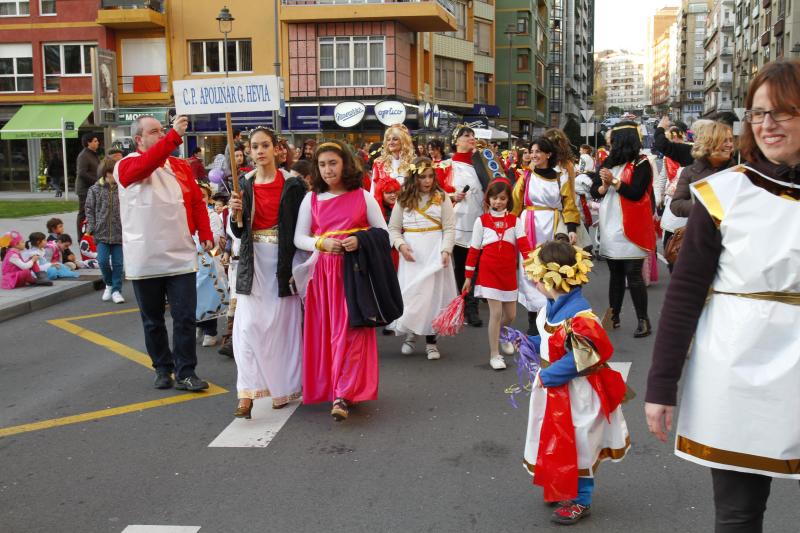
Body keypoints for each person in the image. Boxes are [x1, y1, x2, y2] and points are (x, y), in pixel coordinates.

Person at [645, 59, 800, 533]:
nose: (767, 124)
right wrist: (661, 386)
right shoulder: (724, 193)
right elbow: (686, 293)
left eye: (783, 111)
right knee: (737, 516)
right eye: (757, 113)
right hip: (736, 367)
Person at [522, 237, 629, 525]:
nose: (534, 283)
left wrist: (548, 374)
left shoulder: (580, 317)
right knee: (553, 437)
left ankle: (581, 500)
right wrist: (529, 343)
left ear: (556, 279)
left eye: (538, 278)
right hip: (555, 389)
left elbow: (584, 357)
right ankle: (560, 485)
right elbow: (548, 338)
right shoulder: (551, 306)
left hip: (576, 392)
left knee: (579, 443)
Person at [293, 140, 389, 421]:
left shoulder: (362, 196)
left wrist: (359, 239)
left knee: (351, 332)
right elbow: (299, 237)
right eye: (322, 165)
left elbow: (383, 234)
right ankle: (337, 388)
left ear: (345, 164)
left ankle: (343, 394)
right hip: (323, 276)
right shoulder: (311, 199)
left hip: (355, 274)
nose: (327, 170)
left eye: (332, 163)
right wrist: (321, 243)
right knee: (329, 334)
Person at [116, 114, 212, 392]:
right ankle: (162, 367)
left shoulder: (180, 167)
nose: (161, 135)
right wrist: (173, 135)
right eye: (154, 132)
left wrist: (204, 233)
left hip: (180, 254)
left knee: (184, 317)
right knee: (153, 320)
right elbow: (147, 164)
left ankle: (186, 372)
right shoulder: (126, 165)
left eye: (162, 131)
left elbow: (195, 202)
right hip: (145, 258)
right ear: (139, 139)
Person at [227, 127, 306, 416]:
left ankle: (281, 387)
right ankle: (246, 393)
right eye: (254, 147)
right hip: (252, 261)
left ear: (276, 149)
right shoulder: (243, 184)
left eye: (265, 146)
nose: (259, 151)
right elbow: (238, 232)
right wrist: (235, 213)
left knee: (280, 327)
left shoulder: (293, 185)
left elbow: (303, 225)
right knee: (247, 326)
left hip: (283, 261)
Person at [387, 156, 456, 360]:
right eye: (422, 177)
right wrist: (401, 246)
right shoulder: (403, 198)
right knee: (414, 296)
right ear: (413, 177)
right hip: (412, 255)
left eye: (430, 176)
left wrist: (446, 249)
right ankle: (411, 333)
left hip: (435, 251)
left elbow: (449, 227)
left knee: (433, 296)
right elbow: (393, 228)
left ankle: (431, 342)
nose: (427, 181)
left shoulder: (442, 197)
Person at [593, 122, 655, 338]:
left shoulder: (642, 163)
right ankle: (614, 316)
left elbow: (637, 192)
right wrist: (601, 187)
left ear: (622, 140)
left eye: (613, 140)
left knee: (634, 274)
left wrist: (615, 182)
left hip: (632, 226)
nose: (609, 144)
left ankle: (643, 320)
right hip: (611, 224)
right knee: (615, 274)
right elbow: (595, 189)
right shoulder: (608, 162)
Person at [512, 137, 579, 336]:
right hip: (529, 223)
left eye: (538, 151)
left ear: (548, 154)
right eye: (532, 151)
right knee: (529, 269)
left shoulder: (561, 177)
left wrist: (572, 227)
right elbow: (516, 202)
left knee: (551, 267)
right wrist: (508, 226)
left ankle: (551, 315)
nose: (534, 155)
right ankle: (533, 319)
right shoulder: (526, 175)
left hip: (552, 224)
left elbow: (569, 204)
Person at [463, 179, 532, 370]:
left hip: (508, 274)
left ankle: (502, 334)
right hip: (488, 273)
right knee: (496, 313)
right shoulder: (482, 221)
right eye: (494, 198)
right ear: (488, 199)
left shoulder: (514, 221)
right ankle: (495, 354)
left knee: (510, 315)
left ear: (508, 199)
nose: (498, 202)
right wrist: (468, 277)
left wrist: (532, 266)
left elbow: (525, 246)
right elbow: (474, 250)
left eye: (502, 198)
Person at [446, 125, 485, 328]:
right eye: (466, 135)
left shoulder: (481, 162)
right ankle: (461, 305)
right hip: (458, 221)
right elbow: (436, 192)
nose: (471, 138)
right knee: (460, 265)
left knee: (476, 266)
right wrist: (452, 196)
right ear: (456, 141)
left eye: (473, 135)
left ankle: (472, 306)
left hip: (478, 220)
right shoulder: (447, 165)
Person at [668, 121, 735, 219]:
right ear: (710, 143)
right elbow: (676, 205)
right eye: (724, 141)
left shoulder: (738, 172)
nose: (730, 145)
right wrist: (707, 203)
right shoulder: (689, 172)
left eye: (731, 140)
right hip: (703, 231)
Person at [86, 158, 124, 303]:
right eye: (113, 173)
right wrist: (92, 227)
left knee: (118, 263)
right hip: (101, 232)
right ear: (107, 173)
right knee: (102, 261)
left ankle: (116, 290)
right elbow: (89, 209)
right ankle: (109, 284)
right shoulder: (95, 189)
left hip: (118, 232)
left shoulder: (122, 188)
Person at [371, 124, 415, 191]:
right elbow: (373, 190)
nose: (391, 142)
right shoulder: (379, 164)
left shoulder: (413, 162)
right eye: (388, 140)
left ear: (403, 141)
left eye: (395, 139)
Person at [76, 133, 101, 237]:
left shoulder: (93, 154)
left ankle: (90, 232)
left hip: (93, 188)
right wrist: (96, 182)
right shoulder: (84, 155)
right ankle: (81, 236)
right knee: (83, 213)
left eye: (97, 141)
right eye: (95, 141)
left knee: (93, 211)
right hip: (85, 189)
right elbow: (82, 173)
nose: (97, 143)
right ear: (88, 143)